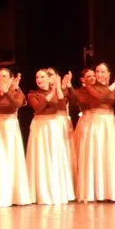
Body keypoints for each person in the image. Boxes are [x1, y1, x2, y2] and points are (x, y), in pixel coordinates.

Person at [73, 63, 115, 202]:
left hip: (109, 122)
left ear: (108, 74)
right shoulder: (90, 87)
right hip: (96, 122)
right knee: (96, 154)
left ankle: (111, 191)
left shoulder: (112, 88)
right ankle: (96, 191)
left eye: (103, 72)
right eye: (97, 71)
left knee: (110, 154)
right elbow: (100, 97)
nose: (99, 74)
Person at [0, 69, 31, 207]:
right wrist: (1, 94)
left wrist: (8, 91)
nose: (1, 78)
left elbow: (17, 104)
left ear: (11, 78)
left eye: (5, 76)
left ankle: (13, 194)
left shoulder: (17, 92)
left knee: (11, 157)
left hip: (10, 126)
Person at [26, 69, 75, 205]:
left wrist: (58, 88)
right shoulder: (32, 94)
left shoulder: (55, 91)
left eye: (42, 77)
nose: (39, 80)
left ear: (49, 79)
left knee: (54, 156)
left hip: (53, 125)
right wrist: (52, 93)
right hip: (39, 125)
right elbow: (38, 107)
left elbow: (61, 105)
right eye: (37, 77)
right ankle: (40, 192)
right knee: (41, 157)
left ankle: (56, 191)